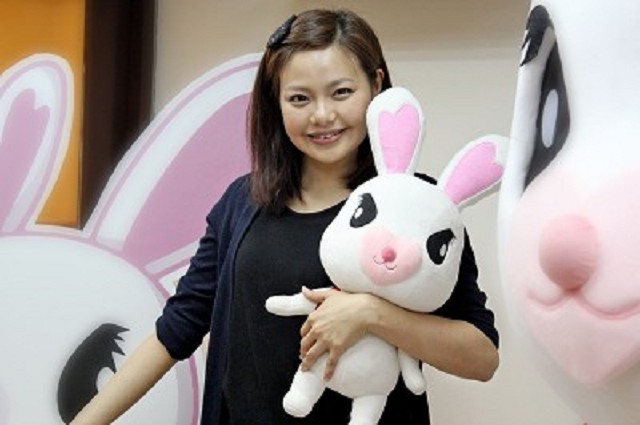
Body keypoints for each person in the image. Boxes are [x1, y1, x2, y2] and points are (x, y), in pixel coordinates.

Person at [71, 8, 499, 425]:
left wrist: (371, 313)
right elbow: (175, 330)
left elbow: (482, 356)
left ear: (376, 85)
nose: (322, 115)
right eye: (299, 98)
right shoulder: (241, 203)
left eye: (341, 92)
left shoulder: (418, 204)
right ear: (275, 102)